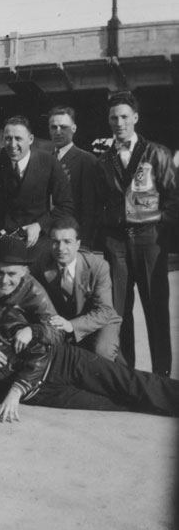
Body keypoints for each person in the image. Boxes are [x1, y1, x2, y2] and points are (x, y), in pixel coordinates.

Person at [0, 276, 179, 421]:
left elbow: (39, 352)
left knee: (129, 382)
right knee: (113, 404)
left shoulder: (5, 315)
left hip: (62, 362)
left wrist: (15, 391)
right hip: (41, 392)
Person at [96, 91, 178, 376]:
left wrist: (157, 229)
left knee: (155, 308)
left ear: (135, 118)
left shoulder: (156, 153)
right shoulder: (104, 159)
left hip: (149, 239)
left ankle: (161, 376)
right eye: (113, 118)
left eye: (124, 117)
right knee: (118, 310)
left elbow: (173, 198)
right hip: (116, 241)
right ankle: (126, 375)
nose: (119, 123)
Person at [0, 115, 74, 265]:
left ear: (30, 139)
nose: (12, 144)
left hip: (35, 244)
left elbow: (65, 205)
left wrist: (40, 225)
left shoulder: (49, 162)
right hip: (3, 242)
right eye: (8, 138)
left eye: (18, 138)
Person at [31, 217, 122, 362]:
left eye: (67, 242)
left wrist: (72, 325)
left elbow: (105, 310)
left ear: (77, 244)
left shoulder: (98, 266)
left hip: (99, 322)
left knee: (103, 353)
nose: (61, 248)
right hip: (64, 322)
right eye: (55, 242)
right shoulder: (41, 264)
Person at [0, 235, 63, 349]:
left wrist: (33, 331)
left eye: (12, 274)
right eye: (0, 273)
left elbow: (57, 332)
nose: (4, 280)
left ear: (24, 271)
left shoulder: (35, 291)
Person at [48, 106, 97, 248]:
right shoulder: (46, 159)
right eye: (53, 127)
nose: (58, 132)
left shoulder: (86, 160)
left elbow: (90, 207)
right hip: (49, 235)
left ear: (74, 128)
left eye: (63, 127)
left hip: (73, 237)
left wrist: (85, 242)